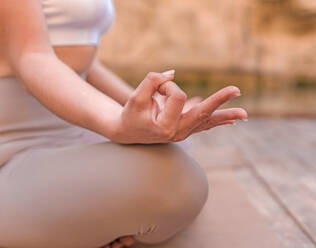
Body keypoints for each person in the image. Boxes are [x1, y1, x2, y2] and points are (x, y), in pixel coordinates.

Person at [0, 0, 248, 247]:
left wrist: (153, 111)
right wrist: (115, 123)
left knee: (174, 147)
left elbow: (83, 62)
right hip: (9, 149)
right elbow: (31, 56)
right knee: (174, 182)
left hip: (70, 133)